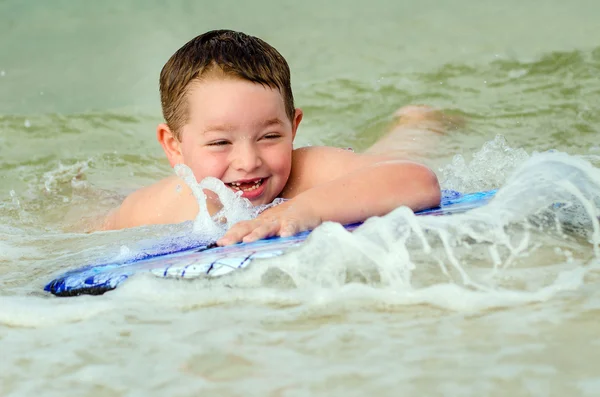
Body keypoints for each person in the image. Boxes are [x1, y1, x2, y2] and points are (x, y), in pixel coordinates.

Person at [102, 29, 444, 246]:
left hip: (348, 175)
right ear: (173, 146)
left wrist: (303, 209)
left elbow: (418, 180)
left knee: (398, 146)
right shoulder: (157, 207)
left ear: (293, 128)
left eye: (269, 136)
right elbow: (86, 235)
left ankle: (418, 119)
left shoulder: (307, 173)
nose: (249, 161)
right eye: (221, 142)